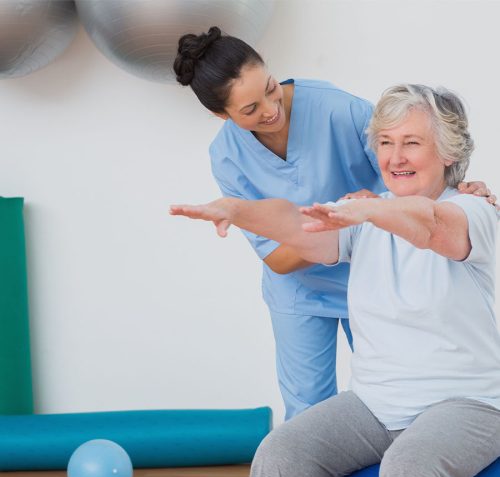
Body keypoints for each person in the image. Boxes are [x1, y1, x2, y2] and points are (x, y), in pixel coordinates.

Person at [170, 83, 500, 477]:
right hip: (375, 405)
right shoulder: (365, 214)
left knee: (408, 465)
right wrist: (237, 210)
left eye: (411, 143)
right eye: (385, 142)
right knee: (280, 451)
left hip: (468, 404)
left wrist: (369, 210)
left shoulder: (474, 211)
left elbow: (430, 224)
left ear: (448, 152)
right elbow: (297, 225)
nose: (395, 157)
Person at [173, 26, 493, 420]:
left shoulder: (337, 110)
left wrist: (460, 189)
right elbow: (276, 257)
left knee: (401, 402)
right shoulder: (226, 155)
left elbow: (413, 164)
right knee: (308, 413)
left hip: (380, 273)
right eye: (250, 110)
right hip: (300, 290)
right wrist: (335, 227)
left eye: (270, 88)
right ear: (219, 114)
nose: (271, 109)